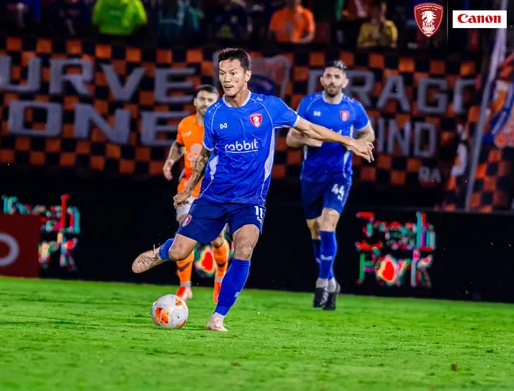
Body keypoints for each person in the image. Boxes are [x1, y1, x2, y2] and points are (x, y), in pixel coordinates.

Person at [132, 48, 374, 332]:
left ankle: (217, 317)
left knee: (244, 248)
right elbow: (204, 155)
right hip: (214, 196)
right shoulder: (214, 113)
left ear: (247, 75)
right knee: (179, 252)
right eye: (222, 73)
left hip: (250, 200)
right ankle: (162, 252)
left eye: (233, 73)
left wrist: (349, 141)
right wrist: (188, 189)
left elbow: (310, 128)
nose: (226, 79)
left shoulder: (269, 107)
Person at [286, 60, 375, 310]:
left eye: (337, 77)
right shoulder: (309, 104)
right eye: (329, 76)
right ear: (322, 80)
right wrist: (308, 139)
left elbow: (368, 133)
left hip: (339, 175)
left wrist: (356, 143)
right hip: (311, 177)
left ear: (344, 82)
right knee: (315, 230)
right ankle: (332, 282)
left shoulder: (353, 107)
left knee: (327, 223)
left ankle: (322, 282)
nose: (333, 80)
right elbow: (291, 138)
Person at [162, 85, 230, 303]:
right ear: (195, 101)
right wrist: (170, 161)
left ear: (217, 102)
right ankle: (185, 287)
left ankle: (220, 279)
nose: (205, 103)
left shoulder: (224, 126)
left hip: (215, 190)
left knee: (217, 239)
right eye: (202, 99)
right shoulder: (186, 124)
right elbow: (179, 144)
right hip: (188, 188)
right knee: (184, 233)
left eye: (210, 99)